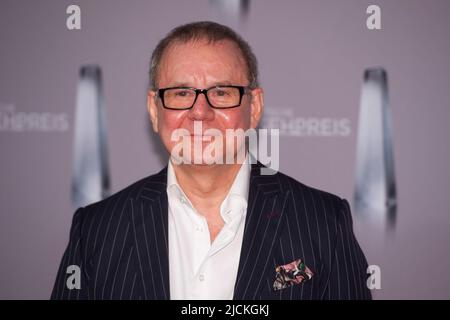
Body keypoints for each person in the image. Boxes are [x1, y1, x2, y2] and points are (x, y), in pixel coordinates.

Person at [51, 21, 371, 300]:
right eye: (180, 93)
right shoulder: (96, 230)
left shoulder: (325, 224)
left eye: (221, 92)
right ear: (154, 109)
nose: (200, 114)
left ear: (254, 107)